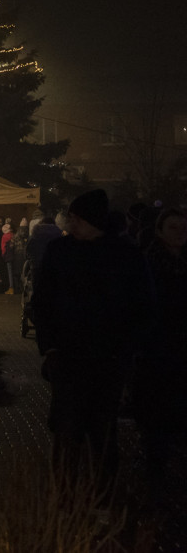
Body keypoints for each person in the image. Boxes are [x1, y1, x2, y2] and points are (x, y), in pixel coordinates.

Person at [31, 189, 156, 495]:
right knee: (66, 429)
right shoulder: (60, 251)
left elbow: (142, 305)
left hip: (108, 358)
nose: (70, 223)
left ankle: (102, 494)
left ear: (92, 220)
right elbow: (43, 301)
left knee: (102, 431)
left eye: (76, 218)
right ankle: (64, 494)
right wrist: (50, 347)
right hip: (67, 356)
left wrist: (126, 349)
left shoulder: (124, 255)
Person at [132, 207, 187, 507]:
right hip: (158, 350)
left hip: (180, 348)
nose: (180, 233)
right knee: (158, 414)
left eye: (183, 227)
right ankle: (155, 477)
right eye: (173, 227)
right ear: (159, 231)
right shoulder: (149, 263)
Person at [0, 223, 16, 294]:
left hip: (8, 256)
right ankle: (16, 287)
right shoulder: (13, 235)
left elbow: (3, 248)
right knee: (14, 272)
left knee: (9, 272)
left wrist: (3, 255)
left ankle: (11, 288)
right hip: (14, 255)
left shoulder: (4, 236)